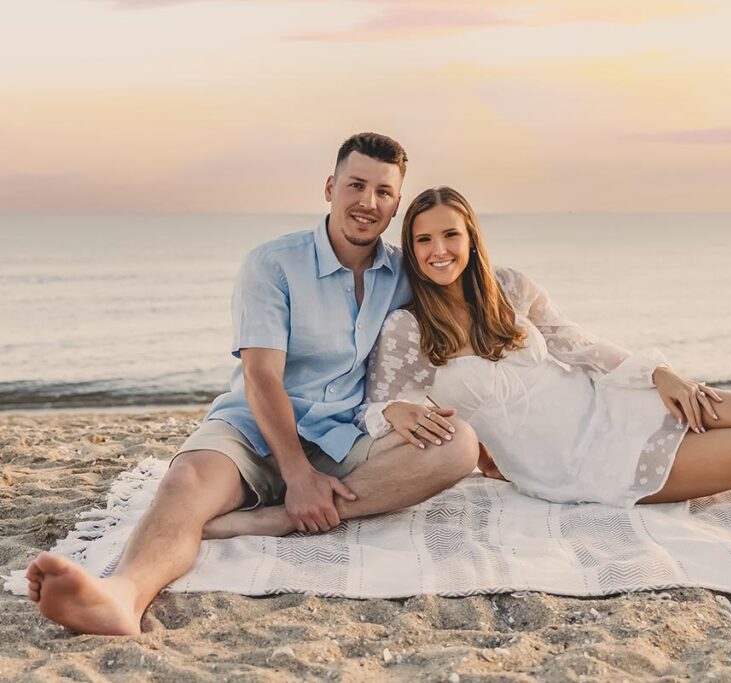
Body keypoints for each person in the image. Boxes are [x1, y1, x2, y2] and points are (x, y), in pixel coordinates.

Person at [206, 185, 731, 534]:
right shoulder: (406, 327)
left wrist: (659, 371)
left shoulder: (513, 289)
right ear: (415, 246)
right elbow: (379, 399)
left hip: (607, 405)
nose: (436, 251)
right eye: (424, 239)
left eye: (450, 236)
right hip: (568, 462)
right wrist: (391, 408)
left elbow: (578, 346)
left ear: (471, 239)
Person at [25, 135, 480, 636]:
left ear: (397, 204)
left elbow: (477, 307)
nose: (368, 202)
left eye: (383, 192)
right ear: (330, 188)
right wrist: (299, 475)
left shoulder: (404, 272)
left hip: (347, 434)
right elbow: (261, 376)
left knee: (457, 446)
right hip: (253, 427)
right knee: (185, 484)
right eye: (356, 185)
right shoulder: (273, 264)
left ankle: (275, 519)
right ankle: (122, 595)